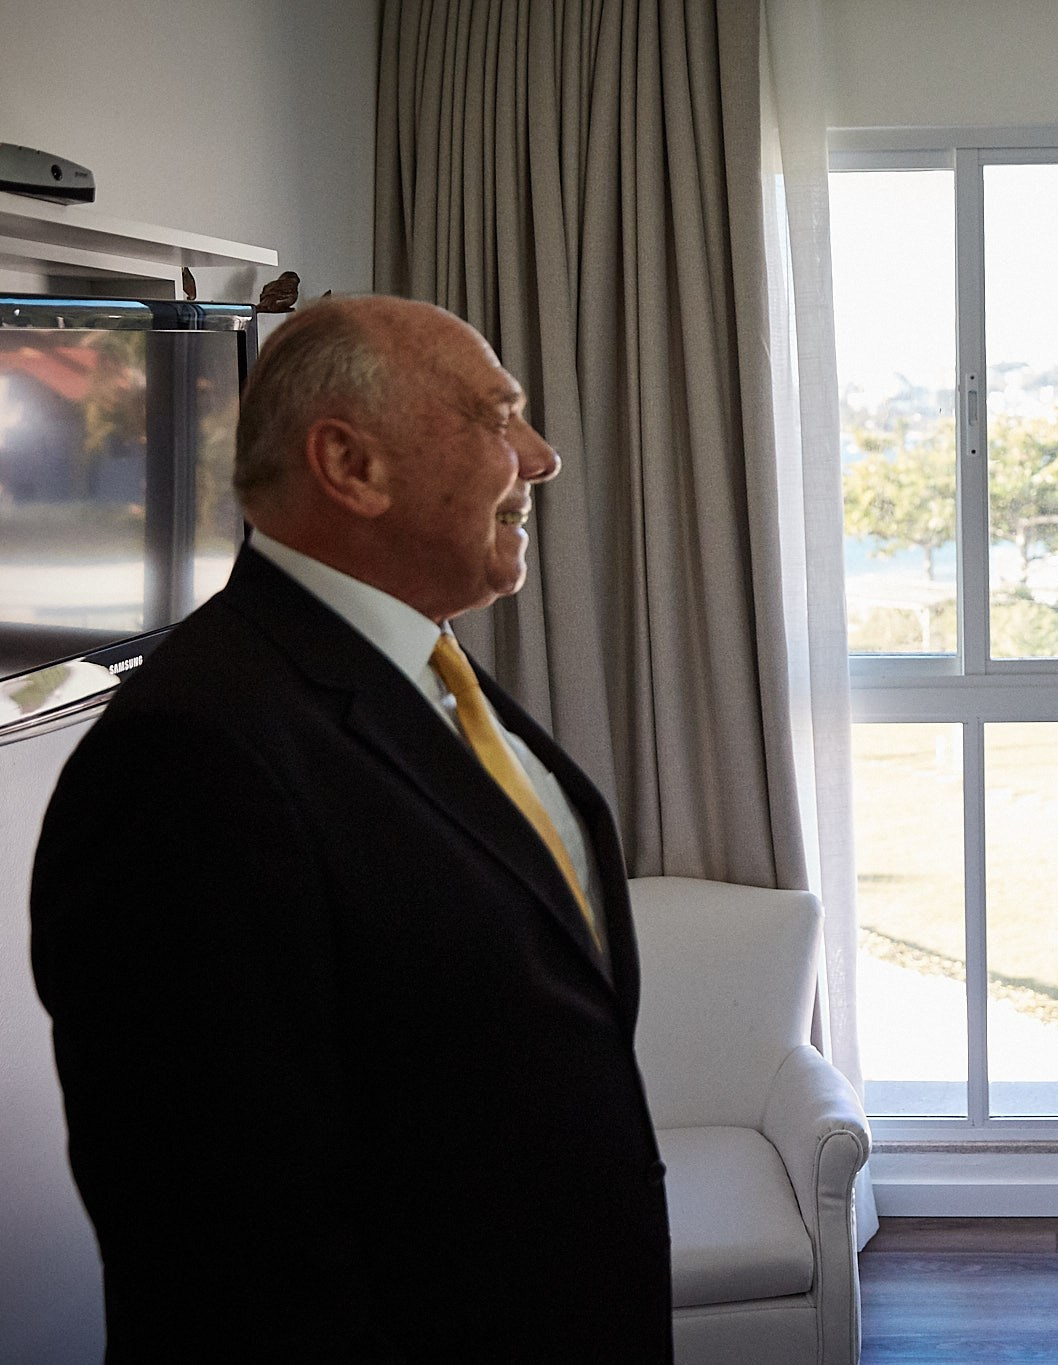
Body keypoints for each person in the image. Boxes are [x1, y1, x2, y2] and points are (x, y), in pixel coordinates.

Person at [31, 296, 671, 1362]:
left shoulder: (423, 670)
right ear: (351, 465)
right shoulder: (189, 757)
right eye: (497, 415)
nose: (543, 457)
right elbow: (221, 1243)